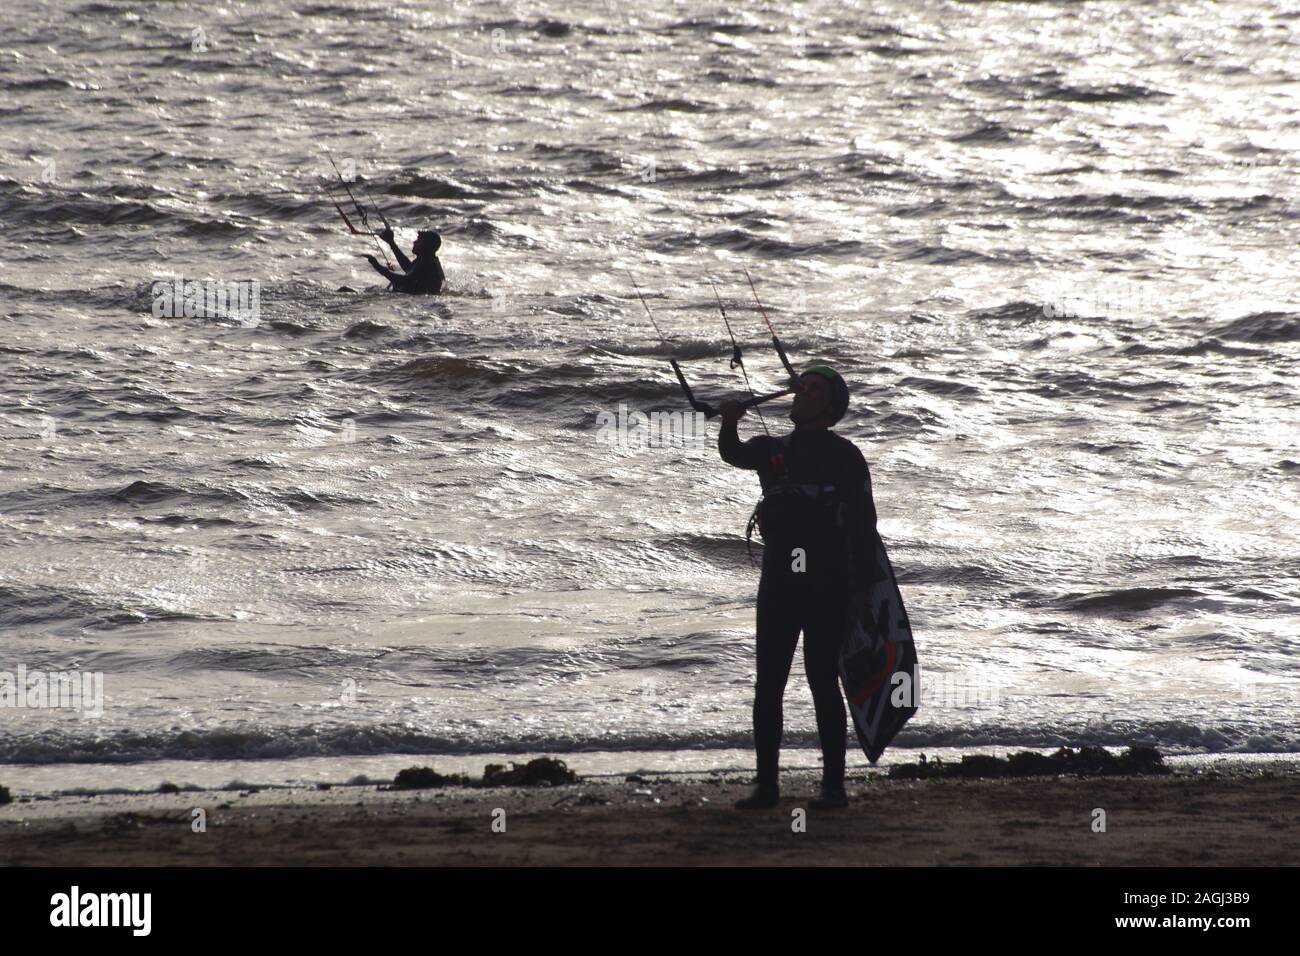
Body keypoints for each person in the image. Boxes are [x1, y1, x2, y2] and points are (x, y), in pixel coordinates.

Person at [718, 366, 883, 810]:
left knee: (822, 681)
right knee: (768, 682)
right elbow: (733, 454)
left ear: (828, 408)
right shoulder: (773, 449)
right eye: (800, 385)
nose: (801, 391)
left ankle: (833, 788)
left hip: (827, 582)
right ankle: (766, 787)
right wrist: (729, 421)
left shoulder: (845, 455)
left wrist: (861, 590)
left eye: (813, 388)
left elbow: (865, 526)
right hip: (778, 581)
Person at [361, 228, 444, 294]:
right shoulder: (428, 259)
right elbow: (408, 268)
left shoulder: (427, 262)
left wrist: (377, 266)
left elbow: (404, 281)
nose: (414, 242)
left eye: (419, 240)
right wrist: (391, 242)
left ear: (426, 245)